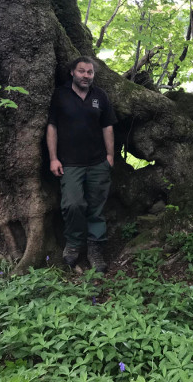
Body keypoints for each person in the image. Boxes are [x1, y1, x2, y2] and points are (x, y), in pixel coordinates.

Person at [47, 56, 117, 272]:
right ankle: (74, 244)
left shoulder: (100, 96)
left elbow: (107, 127)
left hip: (97, 162)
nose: (86, 75)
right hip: (70, 164)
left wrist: (110, 156)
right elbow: (52, 128)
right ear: (72, 72)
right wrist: (53, 158)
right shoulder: (60, 95)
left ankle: (95, 250)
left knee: (96, 208)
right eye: (82, 71)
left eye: (90, 72)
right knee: (73, 204)